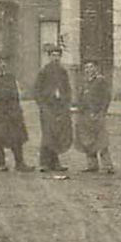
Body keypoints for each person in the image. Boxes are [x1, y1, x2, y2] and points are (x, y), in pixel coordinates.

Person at [0, 53, 33, 172]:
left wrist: (17, 109)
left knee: (16, 137)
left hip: (12, 111)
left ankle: (20, 163)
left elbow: (15, 94)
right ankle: (0, 164)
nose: (2, 64)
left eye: (4, 62)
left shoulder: (10, 77)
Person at [32, 44, 74, 173]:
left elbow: (67, 89)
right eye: (53, 55)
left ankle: (55, 163)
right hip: (47, 106)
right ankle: (44, 163)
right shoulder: (44, 71)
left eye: (58, 55)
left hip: (59, 106)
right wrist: (42, 104)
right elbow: (36, 90)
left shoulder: (63, 72)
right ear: (49, 57)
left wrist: (67, 103)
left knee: (57, 134)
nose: (56, 58)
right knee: (48, 134)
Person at [74, 60, 115, 175]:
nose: (88, 70)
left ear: (96, 68)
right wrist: (79, 109)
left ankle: (108, 166)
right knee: (87, 140)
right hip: (85, 114)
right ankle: (92, 165)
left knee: (101, 140)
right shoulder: (84, 82)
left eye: (91, 67)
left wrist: (101, 111)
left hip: (97, 113)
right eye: (86, 67)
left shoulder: (100, 81)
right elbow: (80, 97)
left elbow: (106, 98)